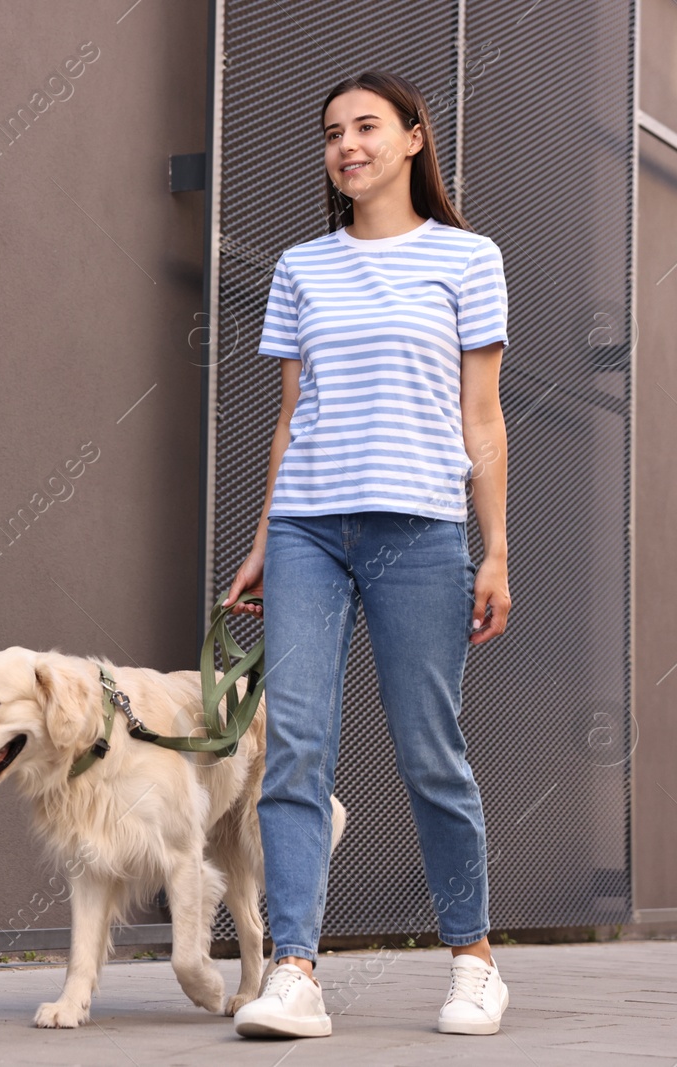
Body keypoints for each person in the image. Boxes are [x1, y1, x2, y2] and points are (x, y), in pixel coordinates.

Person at [224, 71, 513, 1040]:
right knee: (294, 748)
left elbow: (482, 416)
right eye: (331, 132)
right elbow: (289, 417)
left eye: (365, 127)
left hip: (420, 528)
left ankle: (472, 958)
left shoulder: (468, 258)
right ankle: (293, 968)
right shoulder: (302, 266)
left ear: (413, 140)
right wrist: (265, 536)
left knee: (429, 751)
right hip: (309, 527)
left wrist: (495, 546)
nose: (346, 144)